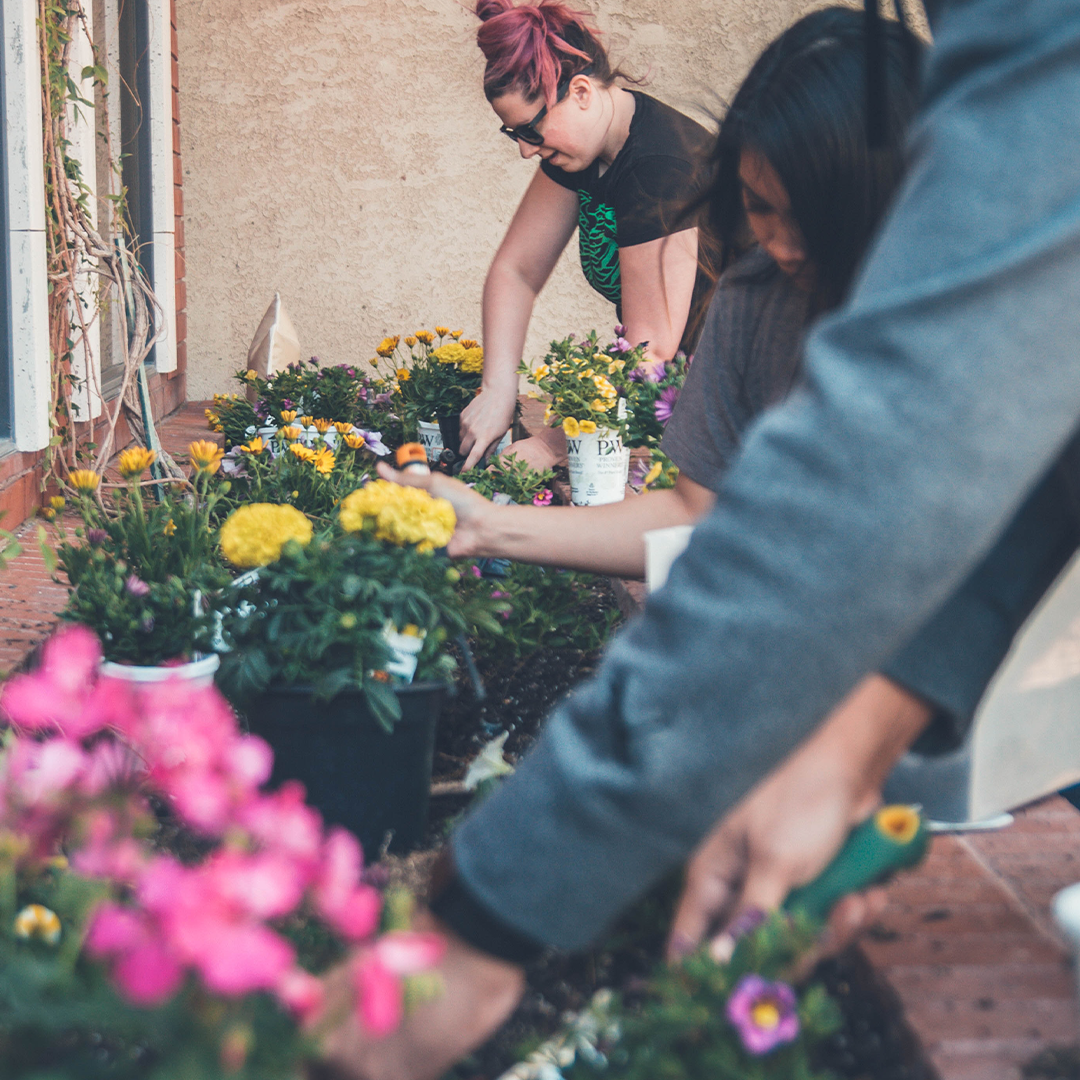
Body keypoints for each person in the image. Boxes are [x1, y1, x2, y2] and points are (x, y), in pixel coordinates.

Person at [319, 0, 1080, 1075]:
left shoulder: (1012, 134)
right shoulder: (765, 277)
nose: (775, 248)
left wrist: (490, 920)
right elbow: (714, 524)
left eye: (802, 221)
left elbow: (927, 481)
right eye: (759, 215)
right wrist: (495, 520)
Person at [459, 0, 716, 469]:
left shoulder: (658, 169)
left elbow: (650, 357)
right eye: (512, 132)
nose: (524, 150)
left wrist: (548, 446)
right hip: (685, 397)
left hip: (747, 400)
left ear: (580, 92)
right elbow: (516, 271)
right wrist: (498, 389)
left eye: (532, 130)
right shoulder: (584, 151)